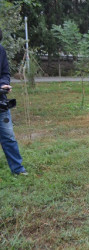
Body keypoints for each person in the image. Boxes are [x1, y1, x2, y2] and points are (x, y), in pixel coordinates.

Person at [0, 28, 27, 175]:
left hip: (1, 103)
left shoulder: (1, 51)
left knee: (8, 136)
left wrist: (3, 84)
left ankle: (18, 169)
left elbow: (5, 73)